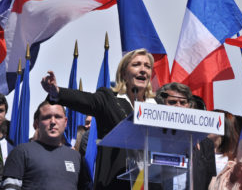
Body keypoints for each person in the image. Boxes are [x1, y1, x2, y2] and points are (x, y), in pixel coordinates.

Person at [41, 48, 156, 190]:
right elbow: (86, 100)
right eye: (137, 64)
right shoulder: (109, 100)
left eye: (147, 66)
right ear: (124, 74)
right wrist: (57, 92)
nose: (143, 70)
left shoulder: (157, 105)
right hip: (116, 183)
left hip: (152, 182)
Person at [1, 101, 90, 190]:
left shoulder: (76, 157)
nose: (53, 121)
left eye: (58, 117)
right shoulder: (20, 152)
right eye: (47, 117)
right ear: (36, 123)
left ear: (65, 122)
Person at [155, 82, 216, 190]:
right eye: (172, 102)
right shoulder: (151, 138)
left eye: (183, 102)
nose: (178, 106)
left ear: (189, 106)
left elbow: (210, 181)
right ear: (161, 105)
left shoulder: (204, 143)